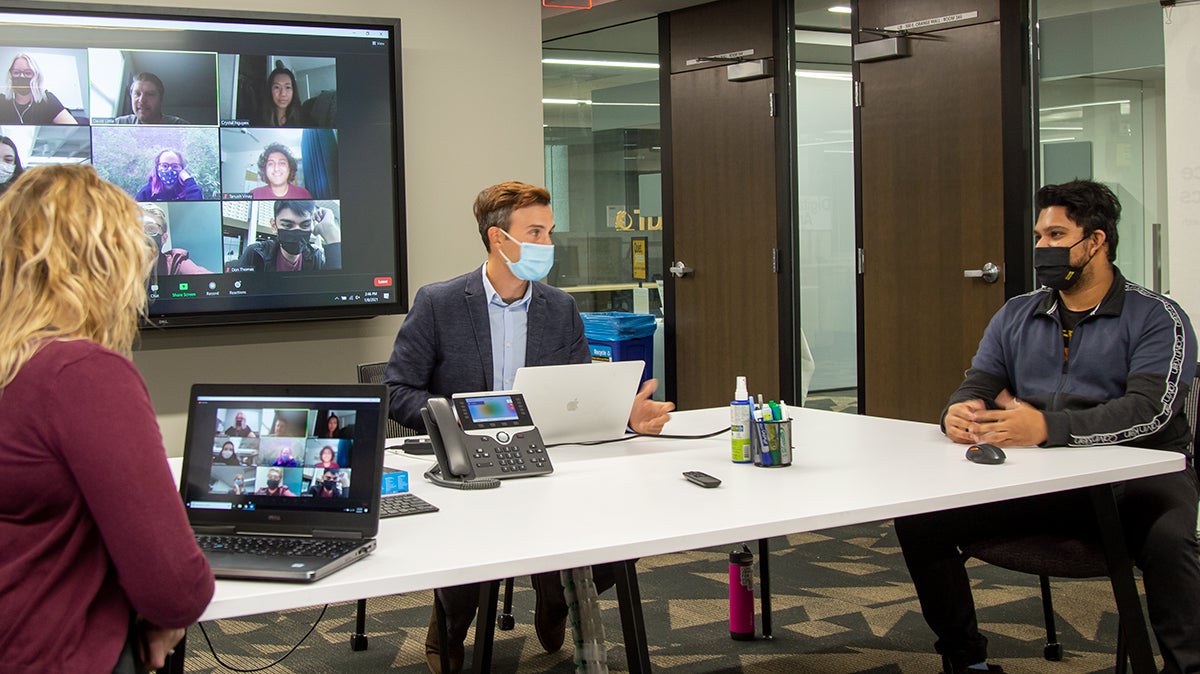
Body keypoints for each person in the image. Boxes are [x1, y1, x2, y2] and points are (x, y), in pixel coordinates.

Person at [894, 179, 1200, 674]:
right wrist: (958, 409)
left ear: (1095, 241)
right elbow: (980, 381)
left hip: (1137, 481)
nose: (1042, 247)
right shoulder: (1018, 312)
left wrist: (1048, 427)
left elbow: (1151, 411)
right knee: (922, 519)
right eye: (1039, 236)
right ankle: (965, 658)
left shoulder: (1157, 317)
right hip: (1040, 478)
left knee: (1170, 541)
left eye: (1057, 236)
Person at [383, 180, 674, 673]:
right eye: (535, 233)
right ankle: (451, 626)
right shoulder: (441, 302)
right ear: (499, 238)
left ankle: (555, 595)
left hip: (548, 457)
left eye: (549, 232)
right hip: (467, 461)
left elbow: (583, 389)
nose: (547, 245)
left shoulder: (559, 309)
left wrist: (624, 412)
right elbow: (397, 389)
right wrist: (454, 421)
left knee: (619, 531)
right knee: (468, 548)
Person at [0, 164, 213, 672]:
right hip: (53, 650)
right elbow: (176, 589)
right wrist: (162, 615)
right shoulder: (81, 374)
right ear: (105, 263)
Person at [234, 199, 341, 272]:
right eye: (287, 225)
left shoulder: (315, 258)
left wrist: (330, 231)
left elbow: (338, 286)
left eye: (305, 225)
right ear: (274, 226)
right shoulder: (255, 254)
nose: (296, 232)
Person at [0, 53, 78, 125]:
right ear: (10, 75)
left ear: (36, 76)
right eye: (16, 72)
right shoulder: (2, 102)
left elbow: (73, 128)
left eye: (27, 73)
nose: (22, 76)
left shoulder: (47, 100)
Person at [142, 203, 212, 275]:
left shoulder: (174, 263)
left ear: (164, 238)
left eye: (150, 228)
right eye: (135, 227)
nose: (141, 233)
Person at [113, 72, 189, 125]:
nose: (142, 100)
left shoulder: (180, 127)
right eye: (137, 94)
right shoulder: (119, 125)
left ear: (161, 99)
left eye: (149, 94)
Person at [135, 149, 203, 202]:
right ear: (157, 167)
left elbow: (196, 209)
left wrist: (188, 180)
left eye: (175, 166)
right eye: (164, 166)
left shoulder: (189, 190)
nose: (169, 169)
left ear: (182, 169)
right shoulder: (147, 192)